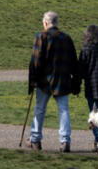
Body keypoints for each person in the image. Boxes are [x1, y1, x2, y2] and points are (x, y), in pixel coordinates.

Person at [27, 11, 81, 152]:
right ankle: (65, 141)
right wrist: (76, 83)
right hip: (62, 81)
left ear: (45, 23)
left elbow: (35, 62)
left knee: (39, 110)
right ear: (56, 23)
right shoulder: (66, 38)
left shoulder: (41, 36)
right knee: (63, 110)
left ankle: (35, 140)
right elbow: (74, 63)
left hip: (44, 82)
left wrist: (32, 81)